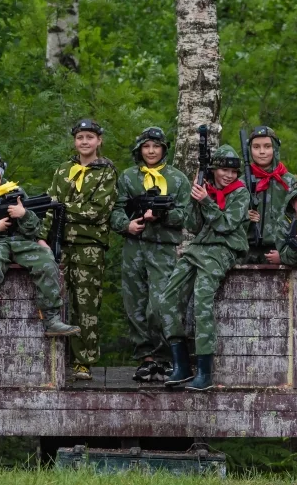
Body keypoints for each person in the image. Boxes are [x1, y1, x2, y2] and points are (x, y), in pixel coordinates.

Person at [157, 145, 250, 392]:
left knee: (202, 301)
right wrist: (196, 199)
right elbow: (193, 226)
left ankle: (205, 372)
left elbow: (226, 225)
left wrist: (207, 202)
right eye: (223, 170)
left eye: (232, 171)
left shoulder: (240, 193)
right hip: (199, 247)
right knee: (167, 299)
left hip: (224, 247)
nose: (228, 175)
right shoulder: (204, 190)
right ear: (213, 170)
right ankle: (181, 364)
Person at [0, 151, 79, 338]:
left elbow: (34, 229)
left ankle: (52, 320)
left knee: (46, 261)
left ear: (0, 171)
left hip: (22, 243)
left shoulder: (16, 194)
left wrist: (24, 214)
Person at [110, 127, 190, 382]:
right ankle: (146, 359)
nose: (152, 151)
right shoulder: (128, 177)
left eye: (156, 146)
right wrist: (127, 225)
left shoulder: (177, 179)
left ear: (164, 149)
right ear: (139, 150)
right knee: (134, 304)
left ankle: (165, 357)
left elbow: (186, 215)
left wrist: (163, 215)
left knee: (160, 305)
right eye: (146, 146)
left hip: (163, 248)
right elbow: (115, 209)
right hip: (134, 247)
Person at [44, 119, 117, 381]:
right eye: (80, 137)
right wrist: (42, 237)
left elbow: (97, 212)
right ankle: (54, 360)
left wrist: (62, 209)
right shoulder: (64, 170)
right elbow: (48, 207)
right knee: (54, 302)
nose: (84, 142)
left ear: (99, 141)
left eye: (89, 137)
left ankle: (83, 362)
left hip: (89, 246)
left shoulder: (106, 172)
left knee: (85, 305)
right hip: (59, 245)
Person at [243, 125, 297, 264]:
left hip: (279, 251)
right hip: (246, 251)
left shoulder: (289, 181)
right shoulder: (242, 182)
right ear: (249, 149)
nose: (262, 152)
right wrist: (244, 215)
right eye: (256, 147)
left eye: (267, 146)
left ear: (275, 148)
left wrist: (287, 252)